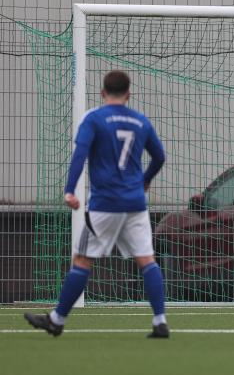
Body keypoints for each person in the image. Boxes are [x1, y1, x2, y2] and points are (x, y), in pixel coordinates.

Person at [25, 70, 168, 338]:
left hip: (104, 204)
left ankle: (57, 320)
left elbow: (80, 154)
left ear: (103, 92)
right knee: (147, 260)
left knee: (82, 260)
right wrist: (144, 181)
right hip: (135, 203)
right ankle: (160, 320)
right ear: (128, 94)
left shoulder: (94, 118)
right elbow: (160, 156)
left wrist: (69, 191)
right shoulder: (140, 121)